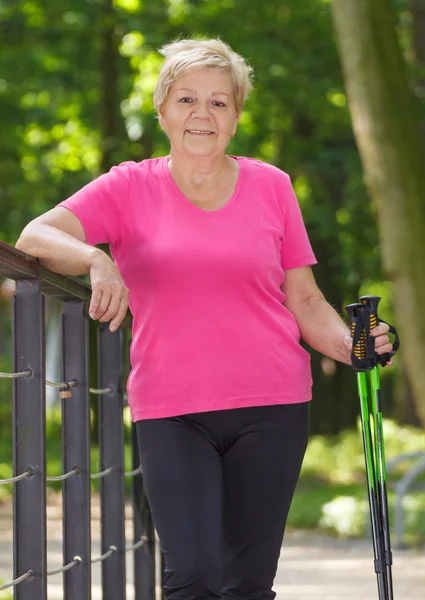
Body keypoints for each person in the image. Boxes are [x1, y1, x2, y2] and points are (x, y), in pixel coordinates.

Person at [15, 38, 393, 600]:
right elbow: (34, 237)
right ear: (163, 109)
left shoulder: (272, 186)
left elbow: (306, 301)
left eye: (219, 102)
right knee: (191, 577)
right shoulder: (128, 186)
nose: (202, 113)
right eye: (187, 99)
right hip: (173, 410)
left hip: (273, 404)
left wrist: (354, 345)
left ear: (236, 117)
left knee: (247, 583)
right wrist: (98, 259)